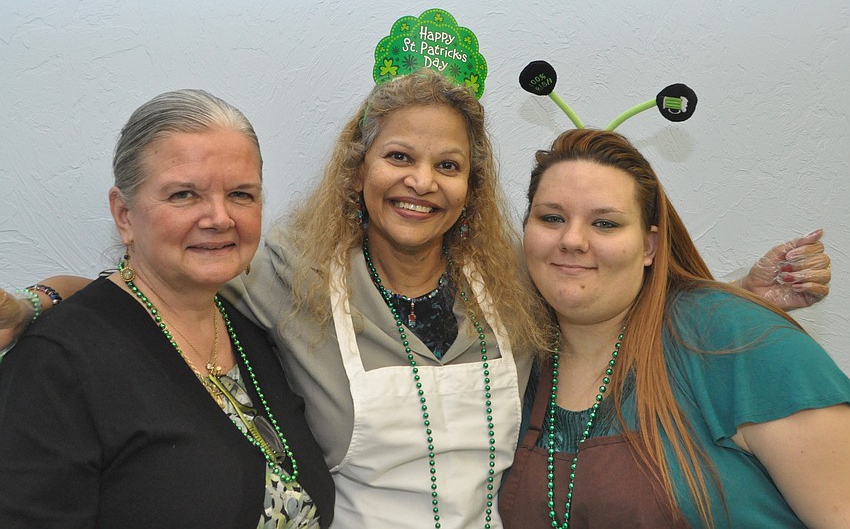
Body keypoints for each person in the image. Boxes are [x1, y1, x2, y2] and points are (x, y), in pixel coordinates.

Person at [0, 71, 834, 528]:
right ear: (357, 172)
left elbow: (601, 290)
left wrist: (734, 294)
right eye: (400, 157)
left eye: (449, 166)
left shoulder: (508, 290)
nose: (421, 182)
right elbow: (161, 283)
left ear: (472, 189)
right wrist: (39, 305)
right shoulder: (283, 272)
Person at [0, 90, 334, 528]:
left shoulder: (248, 330)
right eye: (184, 195)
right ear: (124, 215)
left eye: (241, 194)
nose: (219, 217)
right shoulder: (58, 363)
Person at [499, 128, 850, 528]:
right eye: (552, 218)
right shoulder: (517, 363)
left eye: (605, 224)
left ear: (649, 246)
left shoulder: (738, 339)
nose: (572, 239)